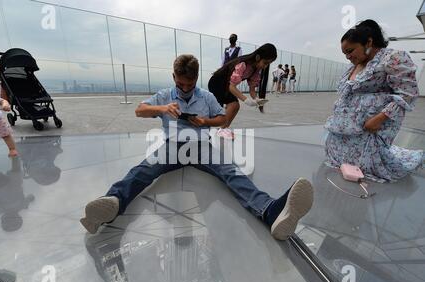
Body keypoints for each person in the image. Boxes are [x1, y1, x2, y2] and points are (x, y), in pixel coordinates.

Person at [80, 54, 314, 242]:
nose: (184, 88)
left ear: (196, 79)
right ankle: (113, 202)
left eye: (189, 84)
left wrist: (205, 122)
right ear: (173, 76)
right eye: (180, 83)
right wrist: (162, 109)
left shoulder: (206, 97)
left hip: (202, 146)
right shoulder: (165, 95)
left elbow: (222, 119)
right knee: (142, 171)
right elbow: (139, 110)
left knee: (231, 172)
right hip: (173, 147)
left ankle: (270, 211)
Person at [324, 19, 424, 182]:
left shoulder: (393, 58)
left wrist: (379, 118)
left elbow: (408, 94)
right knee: (341, 160)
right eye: (345, 54)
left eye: (350, 51)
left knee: (368, 164)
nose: (348, 57)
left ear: (368, 42)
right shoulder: (356, 65)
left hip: (371, 125)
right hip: (345, 126)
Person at [208, 43, 277, 140]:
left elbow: (252, 89)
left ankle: (222, 129)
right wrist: (247, 101)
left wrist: (256, 99)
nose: (265, 66)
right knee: (231, 106)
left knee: (232, 106)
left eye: (268, 64)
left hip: (226, 85)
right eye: (265, 62)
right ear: (258, 57)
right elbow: (232, 87)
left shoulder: (255, 70)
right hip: (217, 83)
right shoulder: (243, 64)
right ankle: (220, 129)